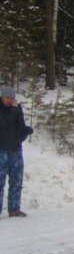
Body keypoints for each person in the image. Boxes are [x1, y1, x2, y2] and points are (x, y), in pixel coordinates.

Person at [0, 86, 33, 218]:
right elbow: (4, 124)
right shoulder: (5, 109)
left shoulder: (16, 109)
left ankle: (14, 209)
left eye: (12, 98)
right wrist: (14, 109)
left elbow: (20, 126)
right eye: (8, 98)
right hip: (1, 150)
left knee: (16, 181)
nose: (10, 100)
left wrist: (25, 132)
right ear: (2, 97)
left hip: (16, 150)